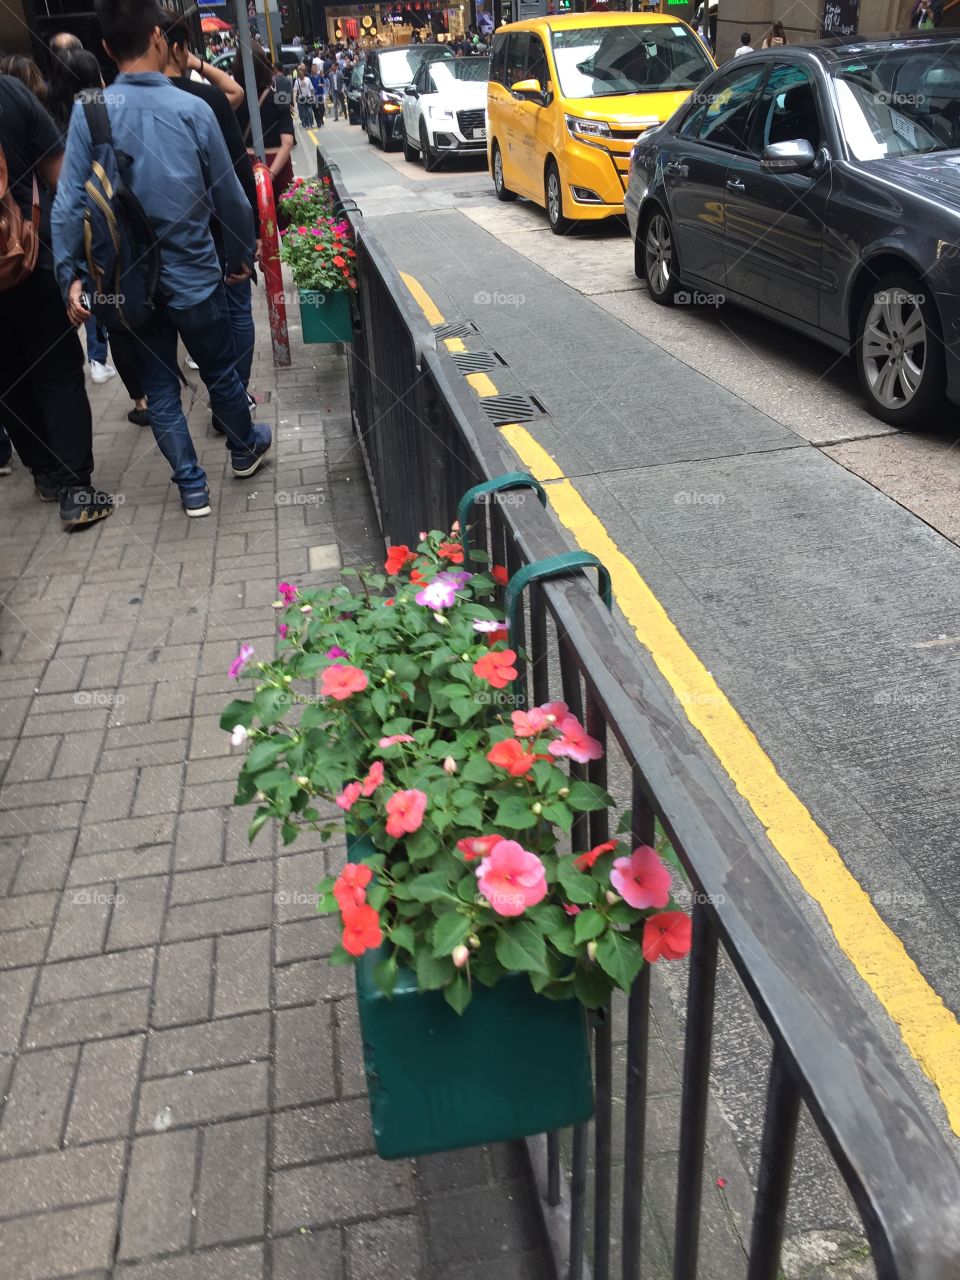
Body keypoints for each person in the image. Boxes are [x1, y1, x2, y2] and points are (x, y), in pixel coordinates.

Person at [53, 0, 271, 519]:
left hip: (125, 284)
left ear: (106, 48)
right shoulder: (194, 108)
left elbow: (67, 205)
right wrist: (240, 255)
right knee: (220, 372)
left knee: (158, 387)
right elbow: (233, 200)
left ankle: (192, 488)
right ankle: (244, 449)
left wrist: (69, 277)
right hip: (195, 275)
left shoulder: (90, 111)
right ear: (157, 36)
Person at [0, 72, 112, 526]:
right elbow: (62, 181)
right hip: (30, 257)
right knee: (56, 372)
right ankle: (74, 490)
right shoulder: (10, 92)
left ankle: (44, 472)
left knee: (6, 378)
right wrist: (73, 266)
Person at [158, 7, 259, 436]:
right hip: (216, 231)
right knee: (235, 312)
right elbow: (235, 178)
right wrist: (245, 244)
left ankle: (192, 469)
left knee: (182, 334)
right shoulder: (204, 100)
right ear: (173, 45)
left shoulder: (108, 108)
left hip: (158, 247)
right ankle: (234, 403)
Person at [236, 48, 295, 203]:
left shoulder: (234, 99)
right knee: (285, 223)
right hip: (278, 166)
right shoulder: (280, 96)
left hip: (248, 168)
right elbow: (287, 143)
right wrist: (269, 177)